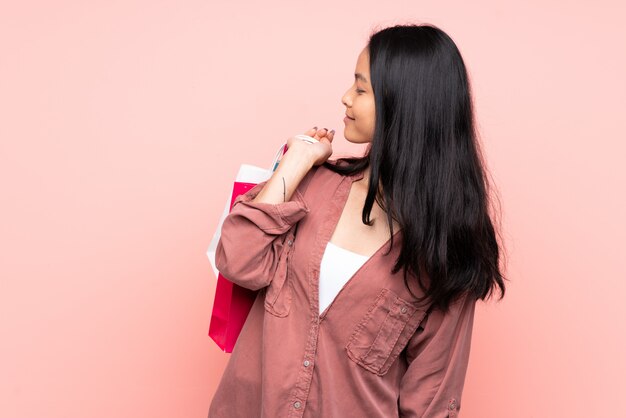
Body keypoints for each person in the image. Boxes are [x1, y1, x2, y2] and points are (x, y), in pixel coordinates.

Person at [209, 23, 507, 418]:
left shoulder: (447, 246)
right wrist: (294, 164)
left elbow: (432, 399)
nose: (346, 98)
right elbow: (238, 259)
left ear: (404, 103)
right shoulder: (313, 185)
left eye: (362, 89)